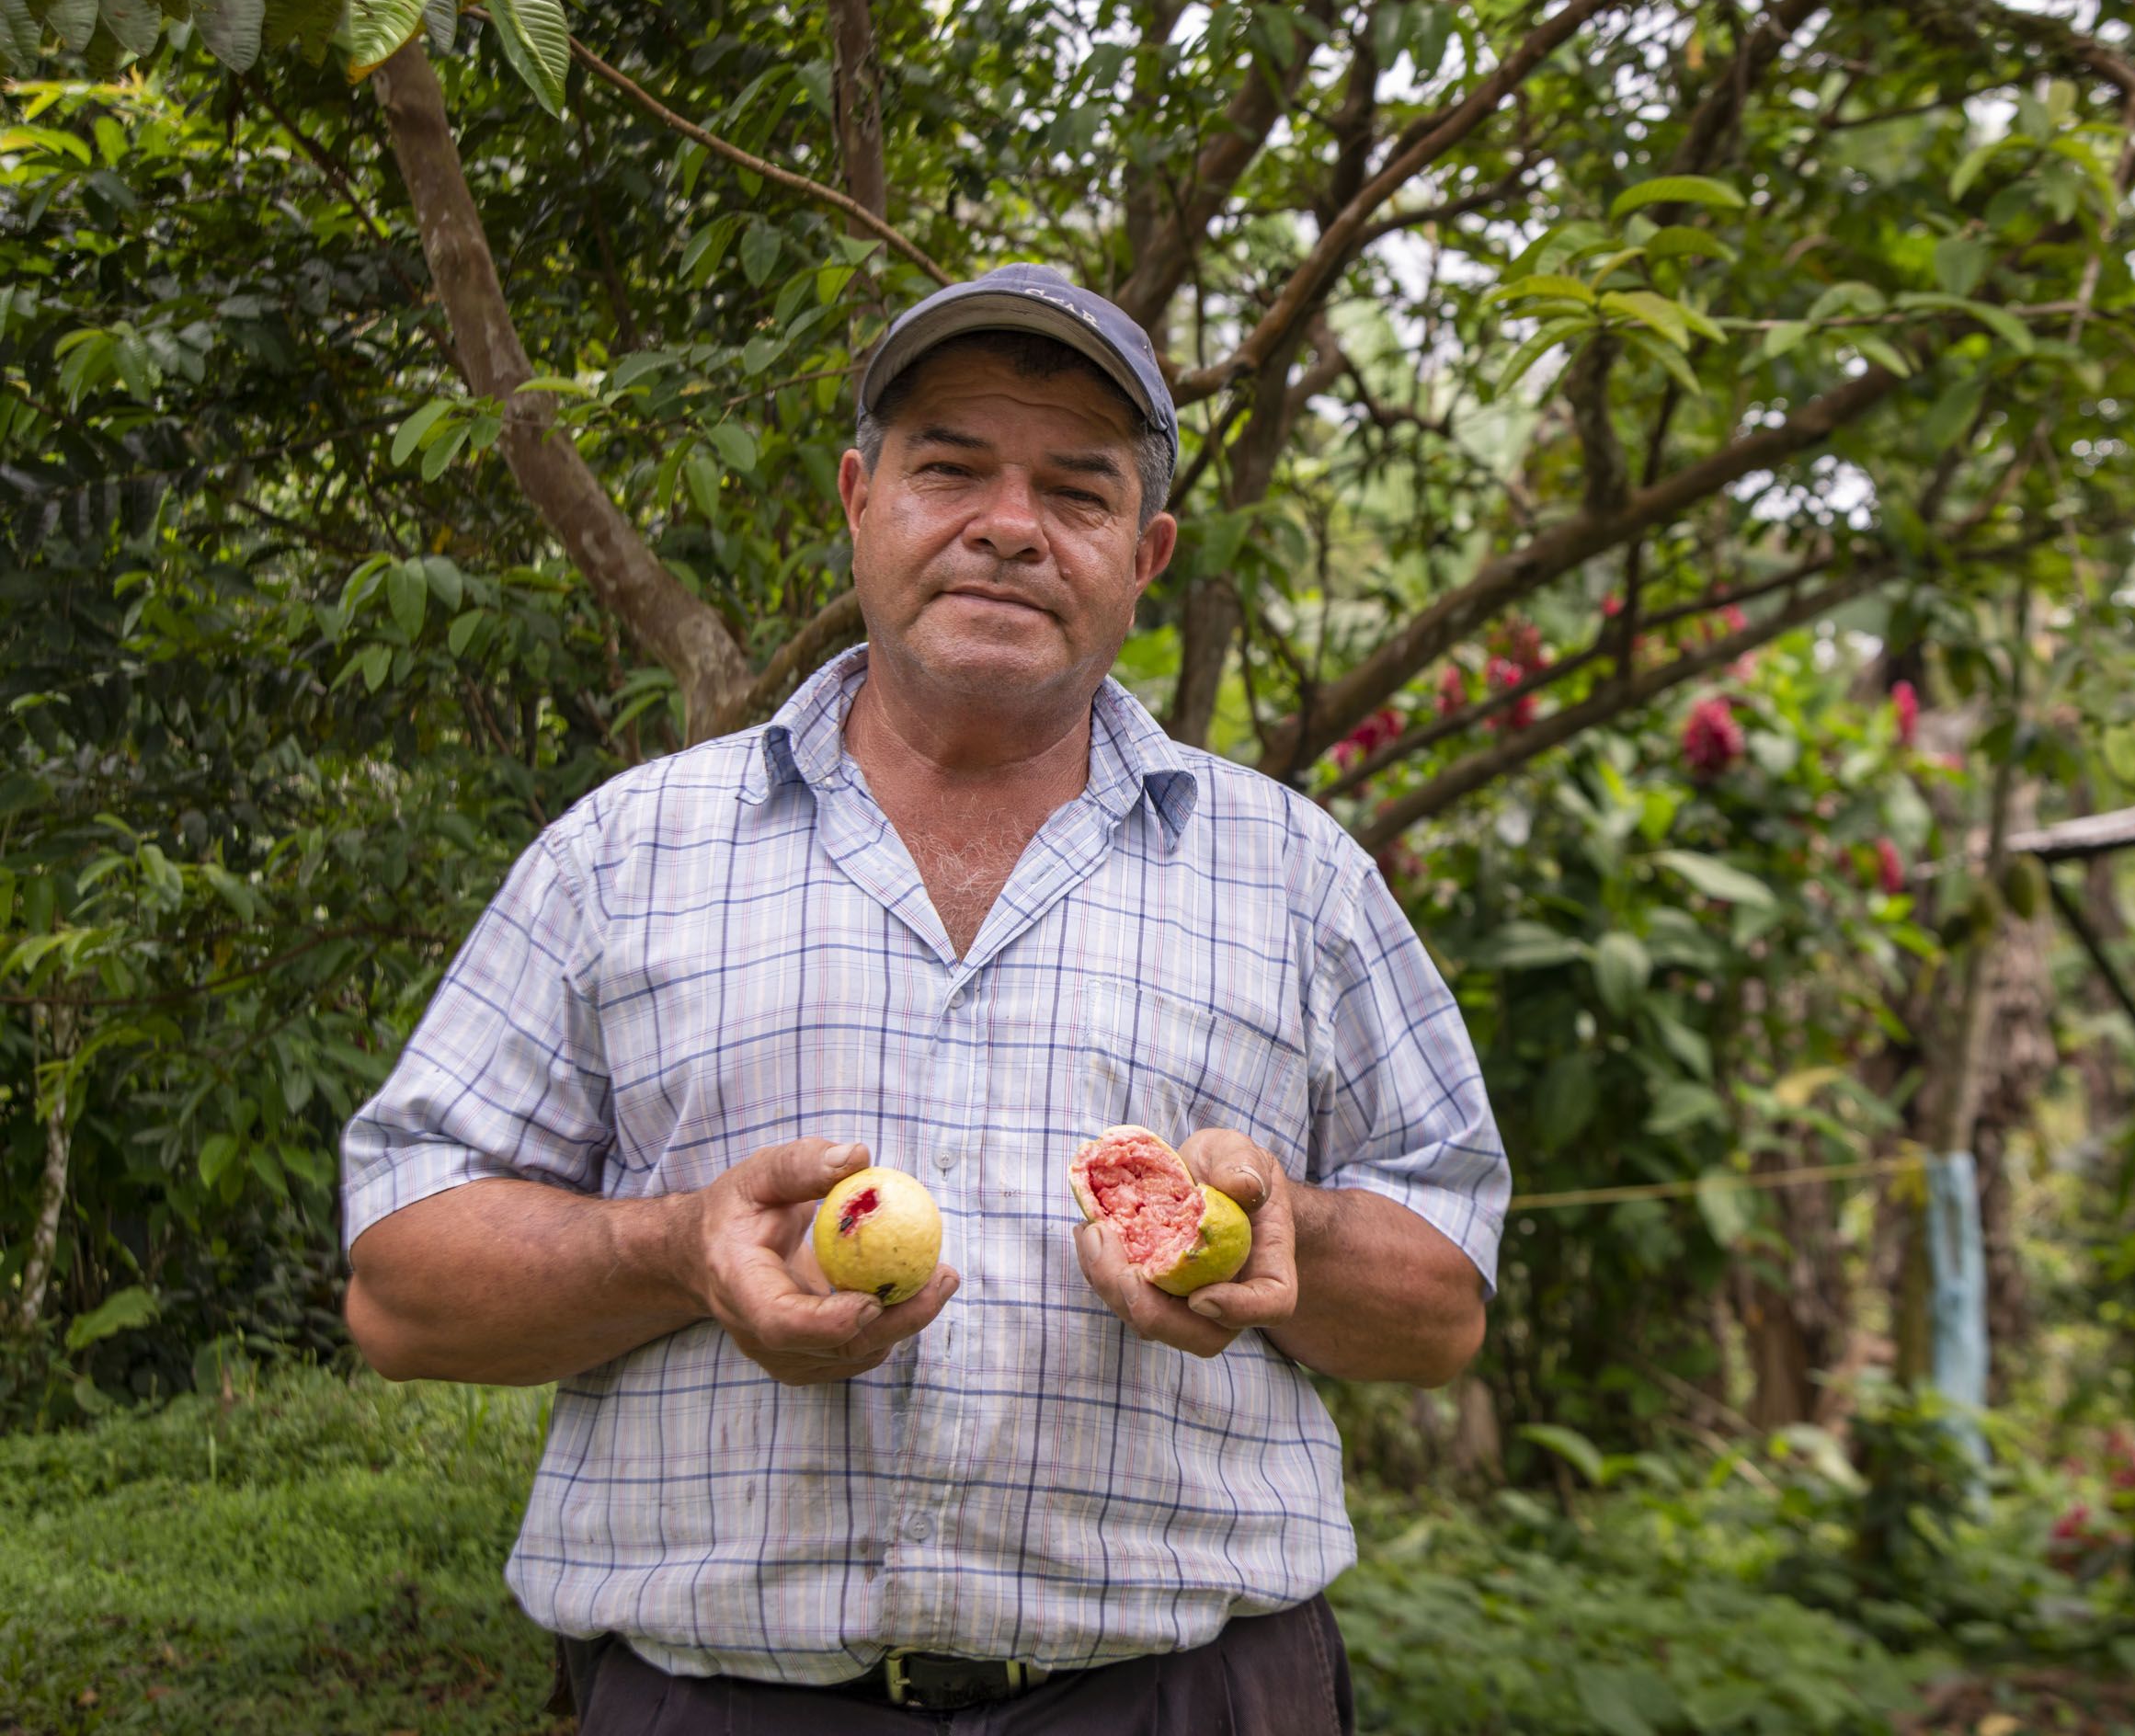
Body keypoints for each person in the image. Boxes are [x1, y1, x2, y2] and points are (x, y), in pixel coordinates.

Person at [337, 265, 1510, 1732]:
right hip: (717, 1703)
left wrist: (1292, 1231)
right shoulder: (622, 857)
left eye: (1075, 493)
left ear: (1144, 557)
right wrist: (677, 1254)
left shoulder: (1298, 879)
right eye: (950, 468)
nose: (1008, 526)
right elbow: (396, 1291)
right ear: (859, 498)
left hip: (1184, 1699)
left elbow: (1445, 1306)